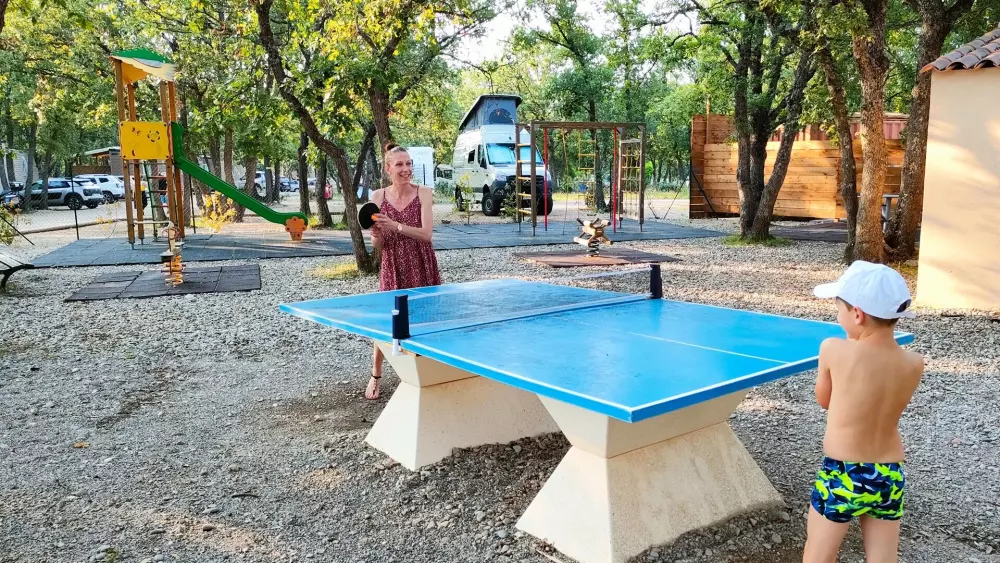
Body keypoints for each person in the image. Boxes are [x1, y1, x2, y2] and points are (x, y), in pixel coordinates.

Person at [803, 261, 924, 563]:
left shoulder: (833, 348)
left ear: (857, 313)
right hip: (889, 473)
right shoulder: (914, 363)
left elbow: (825, 400)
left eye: (838, 308)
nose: (837, 315)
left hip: (843, 472)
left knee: (818, 554)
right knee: (883, 557)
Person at [366, 142, 442, 400]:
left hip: (421, 261)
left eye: (409, 163)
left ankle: (425, 375)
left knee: (425, 318)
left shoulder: (424, 193)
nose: (406, 169)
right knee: (387, 320)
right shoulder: (378, 197)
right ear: (388, 168)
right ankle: (376, 375)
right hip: (393, 263)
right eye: (400, 164)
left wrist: (396, 225)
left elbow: (426, 235)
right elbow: (378, 244)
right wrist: (376, 235)